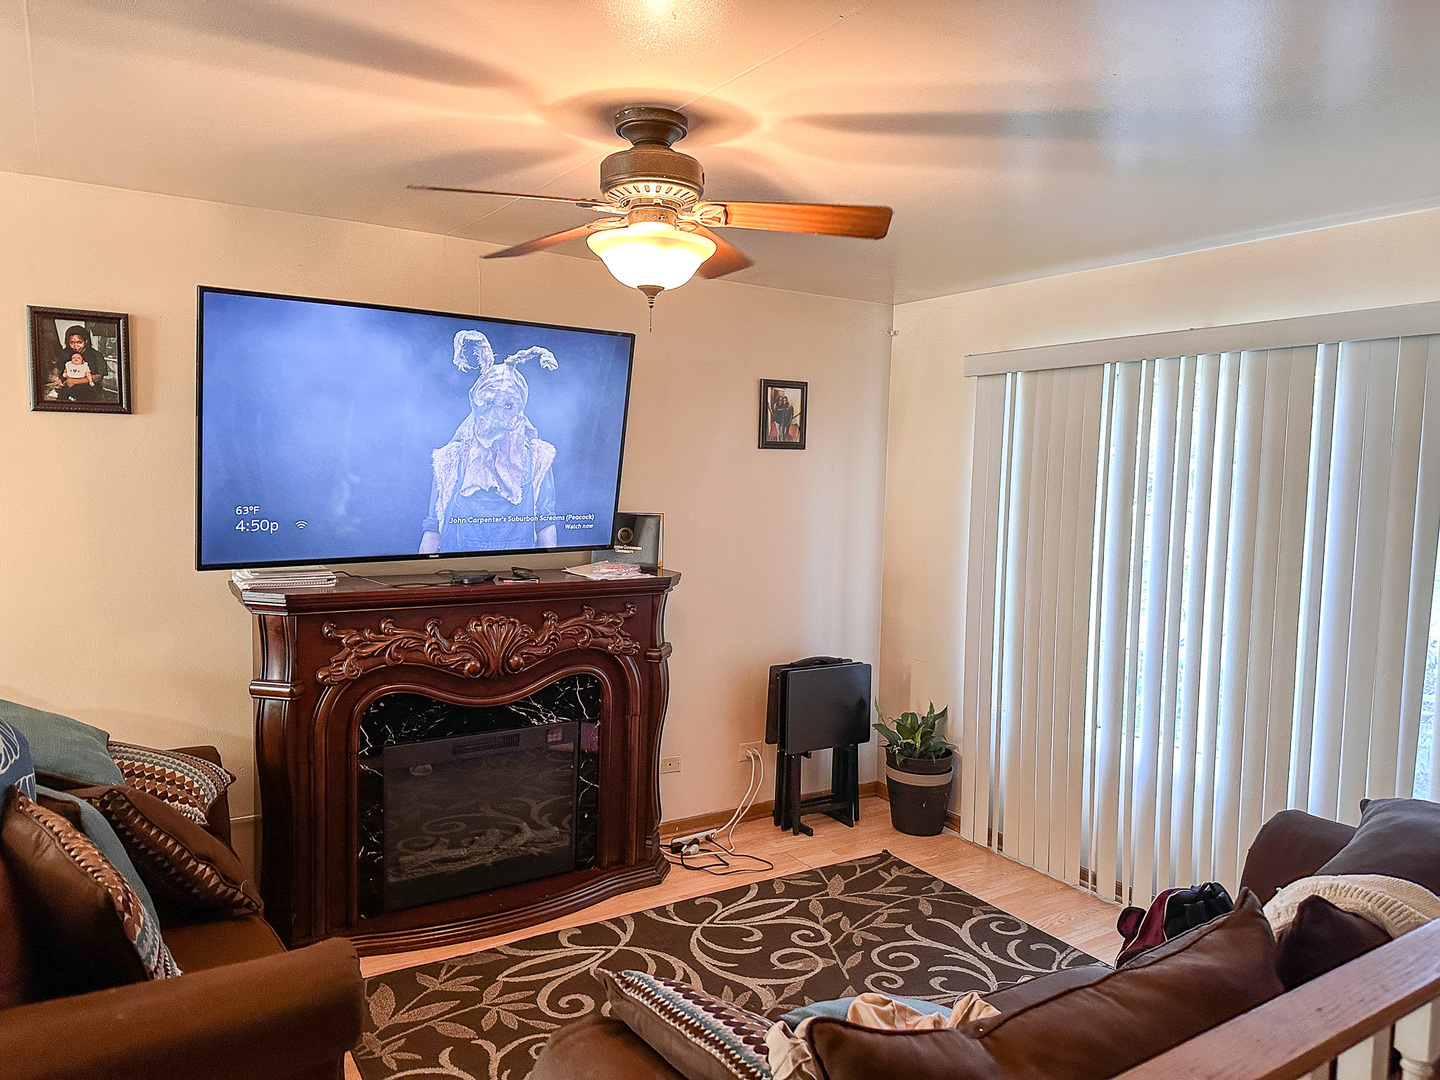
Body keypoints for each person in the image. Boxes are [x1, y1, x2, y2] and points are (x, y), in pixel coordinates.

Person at [419, 331, 561, 554]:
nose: (496, 417)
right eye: (488, 403)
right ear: (476, 403)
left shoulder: (538, 458)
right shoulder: (450, 458)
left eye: (507, 405)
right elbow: (433, 527)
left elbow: (545, 523)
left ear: (520, 407)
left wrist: (551, 568)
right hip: (455, 570)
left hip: (519, 571)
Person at [58, 325, 109, 402]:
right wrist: (57, 379)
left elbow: (99, 376)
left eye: (79, 342)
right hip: (67, 390)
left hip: (89, 392)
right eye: (72, 343)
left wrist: (74, 381)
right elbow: (59, 369)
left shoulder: (96, 355)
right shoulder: (65, 353)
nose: (76, 346)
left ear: (86, 341)